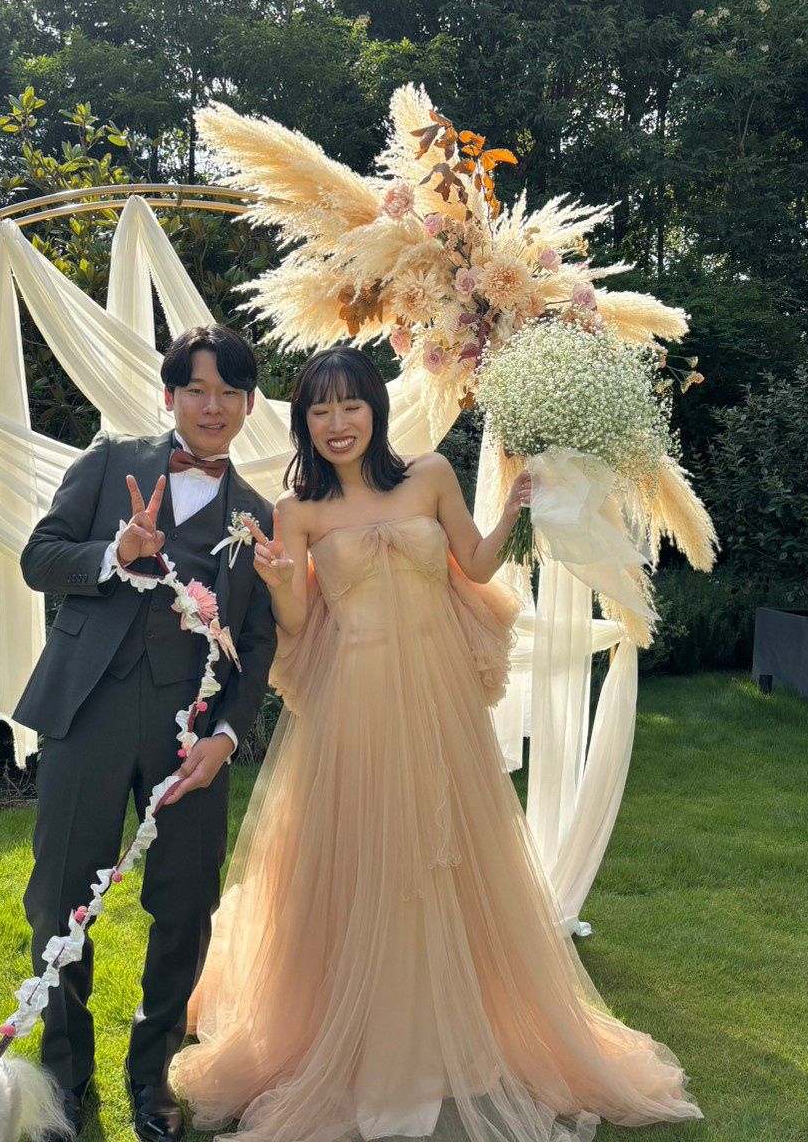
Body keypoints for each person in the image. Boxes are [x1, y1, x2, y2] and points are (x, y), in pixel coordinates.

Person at [170, 346, 702, 1142]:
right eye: (320, 409)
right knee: (362, 855)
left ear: (375, 410)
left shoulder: (429, 476)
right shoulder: (297, 509)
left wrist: (515, 505)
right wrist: (280, 582)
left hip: (435, 697)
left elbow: (476, 564)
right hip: (355, 701)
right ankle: (362, 1029)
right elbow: (297, 624)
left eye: (351, 404)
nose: (337, 422)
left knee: (448, 852)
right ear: (303, 422)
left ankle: (453, 1019)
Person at [14, 324, 277, 1142]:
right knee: (60, 899)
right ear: (169, 396)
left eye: (228, 392)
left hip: (190, 738)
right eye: (195, 388)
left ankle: (151, 1073)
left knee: (187, 905)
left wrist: (226, 737)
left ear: (248, 404)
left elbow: (258, 641)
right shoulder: (109, 464)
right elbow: (38, 558)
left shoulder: (258, 516)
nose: (211, 405)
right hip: (85, 712)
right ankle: (64, 1078)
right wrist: (114, 551)